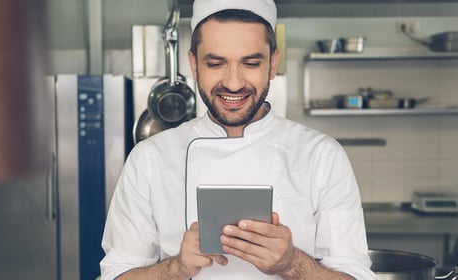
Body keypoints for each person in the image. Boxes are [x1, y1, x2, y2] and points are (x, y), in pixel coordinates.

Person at [100, 0, 376, 279]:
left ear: (272, 64)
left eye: (251, 63)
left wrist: (292, 263)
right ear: (194, 65)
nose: (233, 83)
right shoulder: (149, 158)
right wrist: (176, 268)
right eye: (216, 63)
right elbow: (115, 275)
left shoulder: (322, 156)